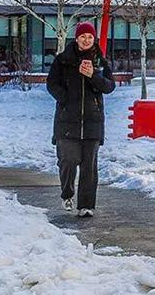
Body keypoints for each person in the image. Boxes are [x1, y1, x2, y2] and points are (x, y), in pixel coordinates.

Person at [47, 24, 116, 218]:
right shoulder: (63, 60)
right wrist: (65, 98)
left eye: (90, 37)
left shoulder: (100, 60)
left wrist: (92, 75)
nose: (86, 40)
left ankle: (86, 205)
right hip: (67, 120)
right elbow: (52, 84)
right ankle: (67, 193)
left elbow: (109, 86)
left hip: (93, 121)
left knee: (89, 167)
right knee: (67, 161)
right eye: (83, 36)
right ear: (76, 38)